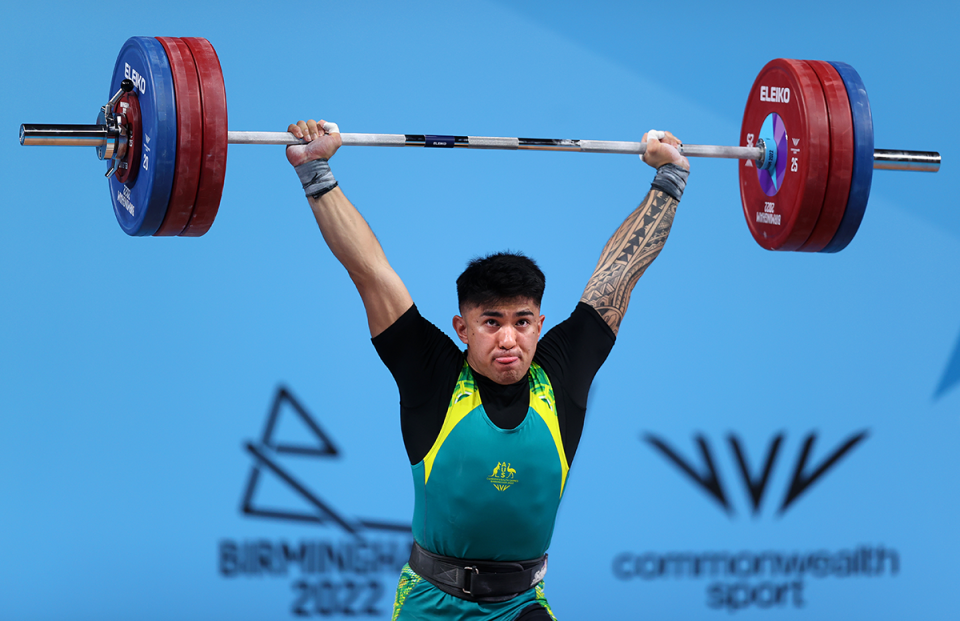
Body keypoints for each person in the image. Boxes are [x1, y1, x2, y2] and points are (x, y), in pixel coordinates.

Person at [285, 119, 690, 620]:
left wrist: (669, 180)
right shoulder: (431, 373)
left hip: (521, 606)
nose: (507, 339)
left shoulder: (560, 375)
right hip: (430, 606)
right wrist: (316, 171)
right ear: (462, 327)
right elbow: (369, 271)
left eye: (522, 322)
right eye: (491, 322)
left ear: (540, 324)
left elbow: (619, 276)